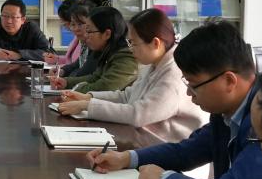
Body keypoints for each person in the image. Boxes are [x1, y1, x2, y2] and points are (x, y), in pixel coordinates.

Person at [87, 19, 262, 179]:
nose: (188, 93)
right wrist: (126, 158)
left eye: (194, 85)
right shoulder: (226, 111)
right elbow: (187, 151)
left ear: (229, 81)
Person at [56, 8, 206, 147]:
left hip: (167, 152)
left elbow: (138, 114)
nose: (130, 49)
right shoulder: (154, 64)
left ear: (155, 43)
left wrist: (86, 105)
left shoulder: (174, 75)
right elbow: (127, 95)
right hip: (143, 141)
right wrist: (88, 98)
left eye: (133, 43)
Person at [49, 6, 137, 93]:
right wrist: (66, 82)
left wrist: (74, 89)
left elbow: (106, 88)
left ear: (107, 34)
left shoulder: (126, 57)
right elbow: (94, 78)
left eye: (89, 31)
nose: (86, 35)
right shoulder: (107, 51)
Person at [42, 0, 83, 68]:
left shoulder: (86, 40)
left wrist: (60, 68)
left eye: (63, 21)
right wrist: (56, 59)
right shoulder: (77, 37)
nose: (62, 23)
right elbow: (69, 60)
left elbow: (78, 66)